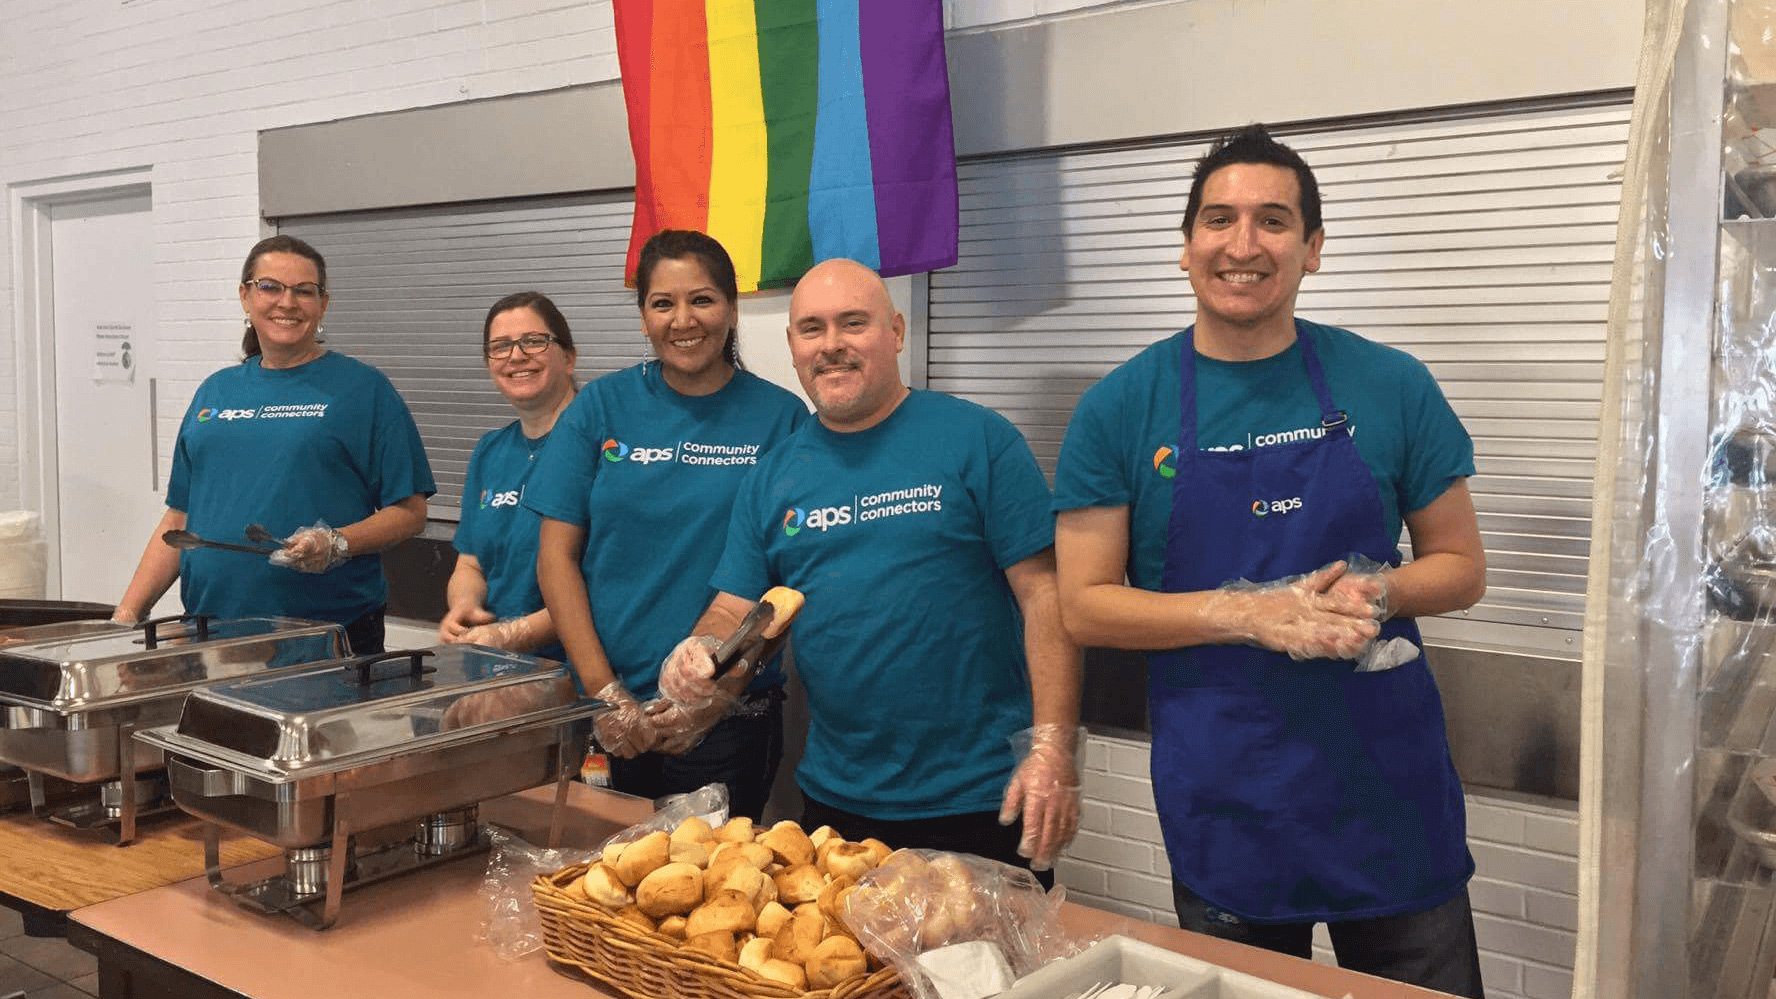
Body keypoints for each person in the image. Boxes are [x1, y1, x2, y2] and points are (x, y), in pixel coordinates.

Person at [1051, 124, 1487, 996]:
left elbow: (1461, 566)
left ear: (1313, 248)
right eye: (1218, 219)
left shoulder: (1390, 384)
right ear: (1185, 248)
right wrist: (1249, 610)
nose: (1242, 244)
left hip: (1388, 797)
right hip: (1228, 800)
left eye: (1274, 221)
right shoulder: (1120, 407)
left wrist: (1375, 589)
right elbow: (1086, 605)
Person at [659, 258, 1082, 877]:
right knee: (849, 974)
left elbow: (1045, 596)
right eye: (811, 329)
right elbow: (735, 606)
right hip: (839, 805)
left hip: (980, 796)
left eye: (852, 323)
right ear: (792, 346)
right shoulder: (773, 476)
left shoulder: (977, 438)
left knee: (989, 976)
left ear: (897, 331)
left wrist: (1052, 748)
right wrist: (698, 647)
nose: (831, 346)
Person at [526, 230, 808, 821]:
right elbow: (555, 560)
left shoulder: (781, 417)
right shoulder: (600, 408)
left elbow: (787, 585)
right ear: (642, 318)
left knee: (703, 898)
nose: (684, 320)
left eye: (702, 300)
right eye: (663, 303)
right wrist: (604, 694)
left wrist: (720, 697)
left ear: (732, 310)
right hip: (609, 713)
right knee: (599, 888)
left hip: (728, 721)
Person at [113, 235, 434, 655]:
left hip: (327, 636)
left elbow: (410, 513)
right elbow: (179, 519)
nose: (288, 302)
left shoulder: (363, 390)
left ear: (323, 303)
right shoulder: (216, 392)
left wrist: (336, 543)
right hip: (211, 636)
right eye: (271, 287)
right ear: (245, 296)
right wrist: (125, 618)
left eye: (304, 291)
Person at [436, 292, 580, 660]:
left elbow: (608, 585)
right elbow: (470, 564)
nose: (516, 356)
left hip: (576, 671)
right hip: (494, 663)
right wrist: (464, 606)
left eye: (534, 341)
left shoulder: (599, 448)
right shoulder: (490, 451)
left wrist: (516, 634)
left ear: (570, 357)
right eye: (500, 347)